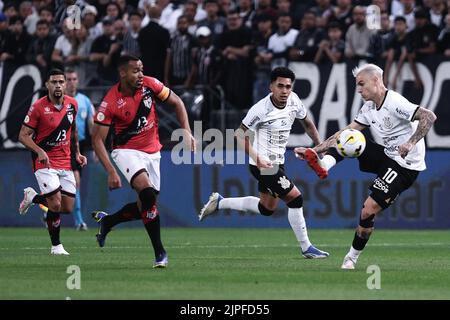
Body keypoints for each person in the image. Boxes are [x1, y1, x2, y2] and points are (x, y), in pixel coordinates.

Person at [295, 63, 437, 269]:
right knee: (351, 138)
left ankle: (351, 257)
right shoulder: (369, 108)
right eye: (357, 85)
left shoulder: (395, 102)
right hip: (387, 155)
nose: (359, 90)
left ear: (376, 80)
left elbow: (429, 116)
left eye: (362, 84)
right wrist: (315, 150)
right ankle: (324, 164)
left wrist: (410, 143)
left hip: (404, 166)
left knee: (368, 210)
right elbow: (345, 132)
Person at [199, 67, 329, 259]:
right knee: (296, 198)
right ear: (271, 87)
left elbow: (308, 124)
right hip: (263, 165)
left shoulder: (294, 101)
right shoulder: (261, 109)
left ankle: (220, 202)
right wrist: (257, 157)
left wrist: (320, 146)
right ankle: (306, 247)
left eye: (288, 87)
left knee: (266, 208)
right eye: (280, 86)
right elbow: (239, 134)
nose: (284, 91)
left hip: (278, 163)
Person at [91, 54, 196, 268]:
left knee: (147, 204)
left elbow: (177, 102)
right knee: (147, 194)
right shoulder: (110, 101)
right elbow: (97, 140)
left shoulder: (150, 84)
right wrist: (111, 171)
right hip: (126, 151)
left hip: (153, 152)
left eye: (141, 69)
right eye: (135, 70)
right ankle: (160, 252)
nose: (141, 74)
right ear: (123, 73)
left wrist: (186, 130)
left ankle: (108, 221)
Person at [18, 68, 87, 255]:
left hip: (65, 161)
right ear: (47, 85)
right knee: (55, 204)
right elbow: (23, 136)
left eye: (61, 82)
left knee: (67, 207)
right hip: (44, 162)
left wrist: (78, 154)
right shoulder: (38, 107)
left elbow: (73, 132)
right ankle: (56, 246)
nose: (58, 85)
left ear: (65, 84)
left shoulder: (72, 104)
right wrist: (39, 150)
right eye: (54, 82)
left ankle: (33, 197)